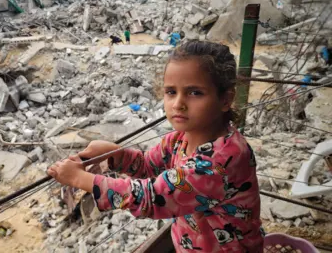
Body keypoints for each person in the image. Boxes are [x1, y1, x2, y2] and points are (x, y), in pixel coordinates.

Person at [47, 41, 264, 252]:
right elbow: (148, 164)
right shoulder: (181, 138)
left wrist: (79, 179)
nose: (178, 103)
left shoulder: (220, 161)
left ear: (226, 99)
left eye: (195, 92)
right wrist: (115, 154)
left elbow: (150, 198)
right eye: (171, 92)